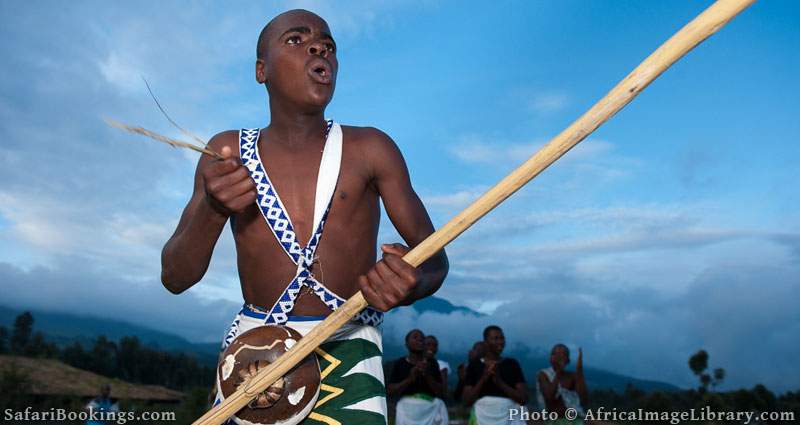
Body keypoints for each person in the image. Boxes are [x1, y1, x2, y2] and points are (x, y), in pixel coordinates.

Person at [160, 9, 449, 424]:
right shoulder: (227, 153)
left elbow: (436, 260)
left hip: (350, 346)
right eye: (296, 40)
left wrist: (412, 281)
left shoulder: (371, 148)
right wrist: (212, 207)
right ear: (262, 71)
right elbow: (175, 277)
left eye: (327, 45)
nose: (318, 47)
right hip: (256, 357)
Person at [463, 326, 527, 425]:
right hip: (481, 418)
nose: (500, 342)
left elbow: (523, 398)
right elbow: (467, 401)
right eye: (495, 338)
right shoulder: (474, 365)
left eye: (502, 338)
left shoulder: (512, 364)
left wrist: (499, 382)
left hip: (509, 419)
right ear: (485, 342)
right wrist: (483, 379)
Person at [388, 330, 448, 425]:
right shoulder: (400, 363)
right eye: (415, 337)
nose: (419, 339)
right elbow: (390, 390)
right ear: (407, 344)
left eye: (422, 338)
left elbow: (440, 392)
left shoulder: (432, 363)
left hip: (430, 410)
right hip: (406, 411)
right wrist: (409, 379)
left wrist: (427, 375)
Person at [536, 344, 588, 424]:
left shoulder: (572, 376)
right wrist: (559, 372)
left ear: (568, 360)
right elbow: (549, 396)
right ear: (550, 358)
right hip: (554, 421)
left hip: (575, 419)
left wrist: (579, 371)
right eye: (554, 354)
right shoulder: (543, 374)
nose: (558, 357)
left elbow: (583, 400)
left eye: (562, 355)